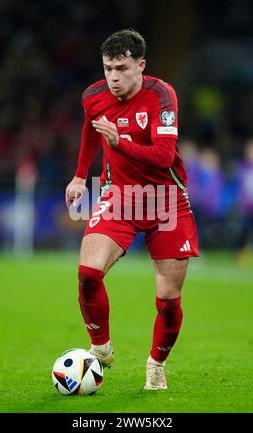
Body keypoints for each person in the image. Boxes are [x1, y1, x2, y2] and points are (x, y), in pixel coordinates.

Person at [65, 29, 199, 390]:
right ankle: (100, 347)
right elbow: (92, 129)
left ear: (141, 66)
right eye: (108, 67)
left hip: (167, 200)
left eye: (122, 68)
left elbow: (164, 156)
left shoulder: (161, 95)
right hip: (120, 197)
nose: (113, 77)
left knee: (168, 300)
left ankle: (156, 365)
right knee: (88, 274)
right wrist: (80, 177)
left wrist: (119, 142)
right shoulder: (93, 96)